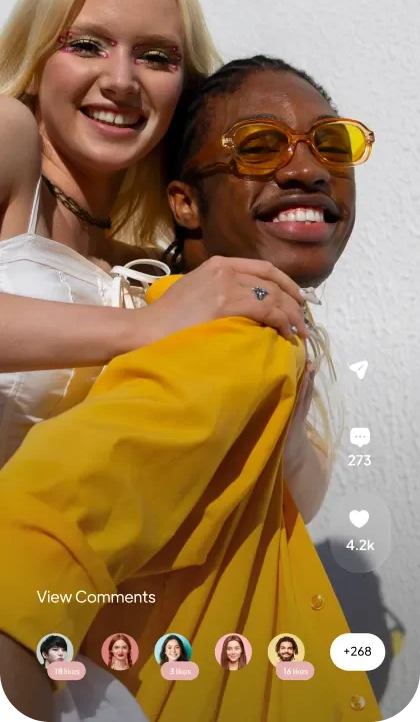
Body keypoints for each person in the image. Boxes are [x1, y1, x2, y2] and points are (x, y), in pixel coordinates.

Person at [0, 56, 382, 721]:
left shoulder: (269, 347)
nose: (308, 169)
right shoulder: (234, 338)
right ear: (183, 203)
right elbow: (37, 529)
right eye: (259, 146)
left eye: (331, 143)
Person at [0, 0, 307, 467]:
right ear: (36, 58)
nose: (121, 80)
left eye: (156, 56)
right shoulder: (9, 132)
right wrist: (143, 328)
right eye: (86, 45)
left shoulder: (149, 274)